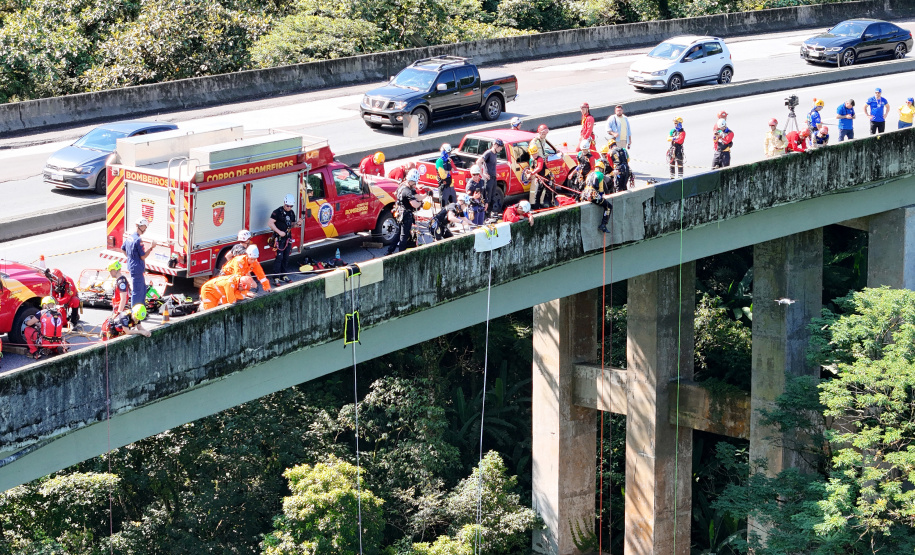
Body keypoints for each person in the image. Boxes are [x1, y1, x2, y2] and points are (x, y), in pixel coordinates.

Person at [388, 169, 429, 254]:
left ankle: (390, 250)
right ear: (410, 182)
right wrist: (421, 204)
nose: (415, 185)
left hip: (400, 212)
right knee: (404, 235)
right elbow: (414, 204)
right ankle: (401, 254)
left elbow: (417, 196)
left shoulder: (402, 185)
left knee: (399, 233)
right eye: (414, 183)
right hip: (406, 215)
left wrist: (425, 195)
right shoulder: (408, 191)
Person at [122, 217, 157, 310]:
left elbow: (123, 248)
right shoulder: (138, 240)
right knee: (138, 290)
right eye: (144, 227)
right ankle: (135, 311)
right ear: (139, 226)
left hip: (132, 265)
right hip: (137, 268)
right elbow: (143, 256)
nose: (145, 229)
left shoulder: (130, 237)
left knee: (143, 288)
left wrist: (130, 257)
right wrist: (151, 247)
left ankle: (141, 308)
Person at [268, 194, 297, 285]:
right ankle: (276, 276)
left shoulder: (291, 213)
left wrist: (297, 223)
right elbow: (270, 223)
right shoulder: (277, 212)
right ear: (284, 203)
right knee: (279, 257)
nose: (289, 208)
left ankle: (284, 275)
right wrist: (279, 232)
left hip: (288, 237)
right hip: (279, 238)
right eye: (287, 206)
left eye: (291, 206)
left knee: (286, 257)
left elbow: (292, 225)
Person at [581, 165, 612, 233]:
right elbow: (601, 190)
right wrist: (601, 197)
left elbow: (585, 184)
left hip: (585, 194)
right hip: (593, 195)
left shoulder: (589, 174)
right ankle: (603, 225)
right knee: (608, 206)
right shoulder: (600, 175)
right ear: (601, 169)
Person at [478, 139, 503, 216]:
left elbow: (492, 166)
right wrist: (482, 175)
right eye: (500, 147)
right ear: (495, 145)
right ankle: (485, 215)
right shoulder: (488, 153)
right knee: (487, 197)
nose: (501, 149)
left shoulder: (495, 154)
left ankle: (490, 213)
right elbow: (478, 162)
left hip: (493, 178)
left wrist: (495, 174)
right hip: (488, 179)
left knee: (492, 197)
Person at [527, 143, 553, 209]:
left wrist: (532, 172)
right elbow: (532, 169)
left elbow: (539, 168)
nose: (535, 155)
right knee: (537, 193)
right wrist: (529, 173)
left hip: (546, 177)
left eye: (535, 153)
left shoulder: (540, 159)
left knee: (548, 192)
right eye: (533, 154)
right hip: (539, 179)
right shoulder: (531, 160)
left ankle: (550, 205)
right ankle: (536, 207)